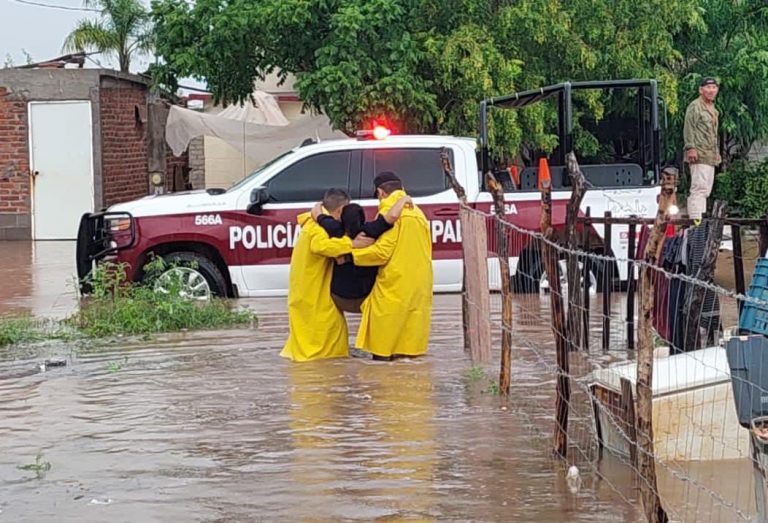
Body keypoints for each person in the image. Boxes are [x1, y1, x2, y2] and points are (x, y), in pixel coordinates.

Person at [280, 188, 373, 362]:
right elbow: (320, 246)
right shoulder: (317, 228)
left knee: (309, 337)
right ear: (339, 211)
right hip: (314, 292)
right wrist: (351, 243)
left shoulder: (314, 223)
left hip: (306, 290)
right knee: (325, 341)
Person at [351, 172, 433, 361]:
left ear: (381, 192)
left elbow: (382, 252)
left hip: (395, 284)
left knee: (383, 346)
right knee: (407, 349)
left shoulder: (390, 211)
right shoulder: (417, 212)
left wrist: (351, 254)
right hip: (420, 283)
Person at [312, 195, 412, 313]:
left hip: (339, 298)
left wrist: (319, 204)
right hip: (366, 297)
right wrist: (404, 199)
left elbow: (317, 215)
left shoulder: (335, 229)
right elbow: (392, 216)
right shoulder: (370, 231)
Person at [684, 76, 721, 223]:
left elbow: (713, 134)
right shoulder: (695, 106)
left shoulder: (714, 109)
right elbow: (689, 128)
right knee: (698, 188)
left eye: (714, 87)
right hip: (698, 153)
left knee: (706, 190)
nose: (711, 90)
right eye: (708, 87)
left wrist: (716, 153)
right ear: (701, 90)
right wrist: (690, 147)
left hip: (709, 154)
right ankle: (695, 221)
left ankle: (701, 220)